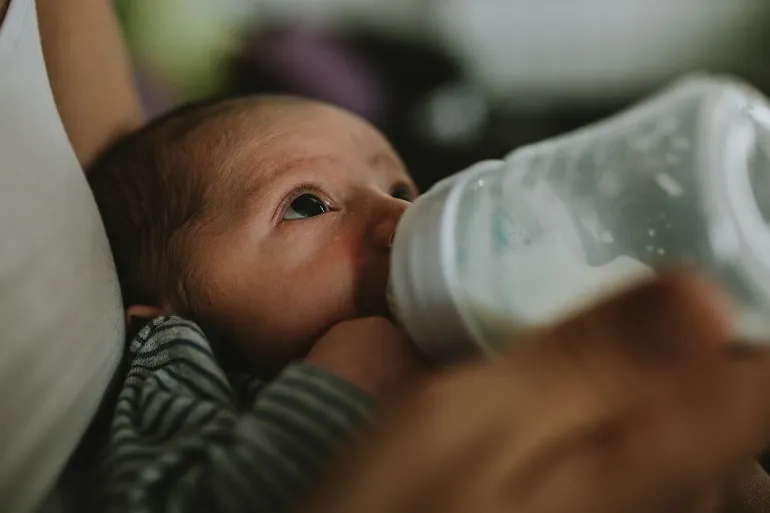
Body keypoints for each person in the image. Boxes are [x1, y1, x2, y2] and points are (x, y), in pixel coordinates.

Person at [2, 2, 770, 513]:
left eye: (400, 183)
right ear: (162, 318)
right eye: (306, 203)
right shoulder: (175, 364)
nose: (398, 219)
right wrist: (340, 392)